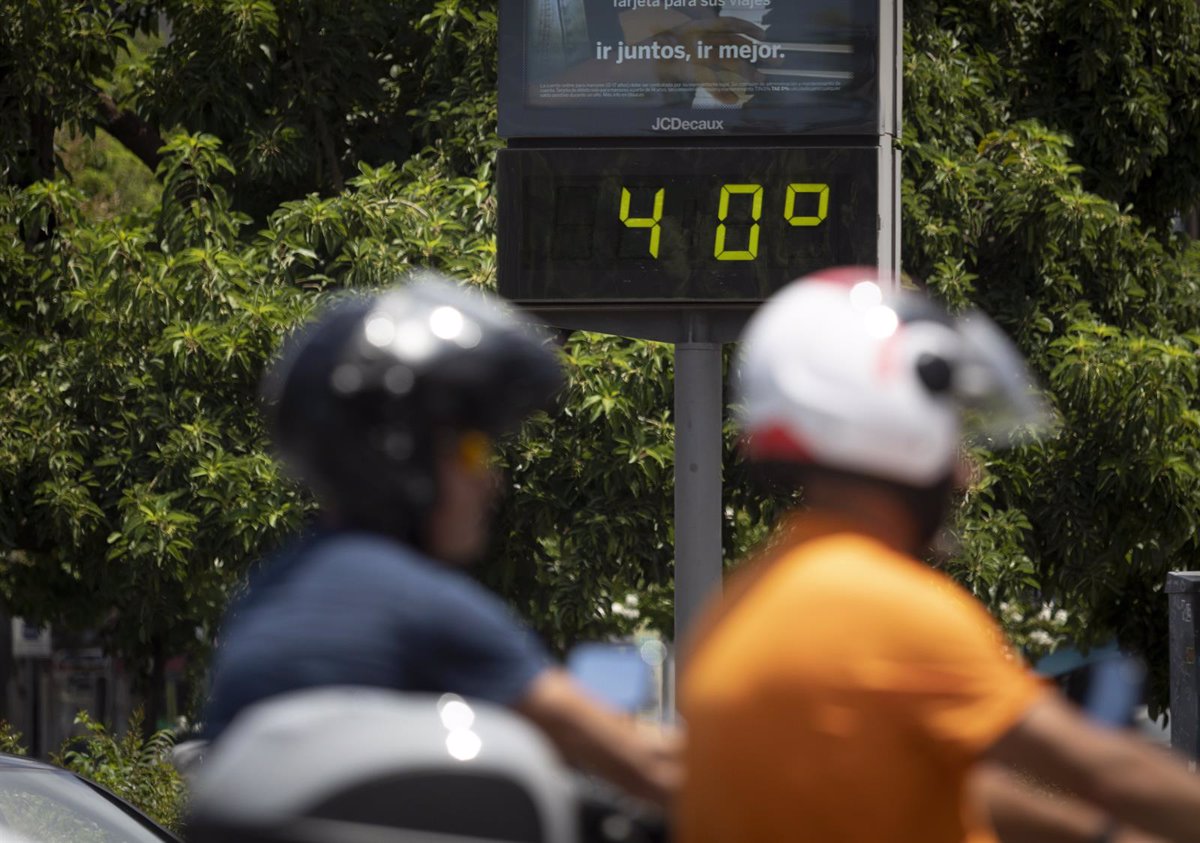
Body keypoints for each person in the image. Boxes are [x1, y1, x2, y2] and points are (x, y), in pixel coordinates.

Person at [676, 266, 1200, 843]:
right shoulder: (892, 613)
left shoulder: (740, 605)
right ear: (896, 424)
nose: (967, 475)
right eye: (953, 435)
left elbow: (928, 784)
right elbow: (1102, 770)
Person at [202, 272, 678, 806]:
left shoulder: (271, 587)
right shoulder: (420, 606)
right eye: (472, 452)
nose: (491, 479)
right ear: (399, 456)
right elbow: (648, 766)